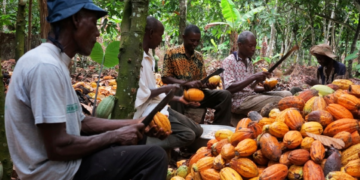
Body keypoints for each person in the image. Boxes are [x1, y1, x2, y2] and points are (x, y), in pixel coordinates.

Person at [5, 1, 167, 179]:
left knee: (139, 138)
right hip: (56, 173)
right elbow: (58, 147)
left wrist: (137, 123)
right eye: (94, 23)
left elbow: (82, 122)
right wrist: (115, 136)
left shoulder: (54, 61)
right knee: (154, 157)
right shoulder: (46, 66)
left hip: (65, 165)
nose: (97, 33)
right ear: (76, 19)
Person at [134, 16, 203, 149]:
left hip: (158, 105)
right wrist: (167, 88)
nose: (161, 39)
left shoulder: (149, 58)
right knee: (188, 135)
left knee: (198, 130)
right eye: (160, 35)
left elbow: (150, 90)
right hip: (146, 111)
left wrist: (179, 98)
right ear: (151, 33)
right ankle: (142, 144)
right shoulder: (137, 60)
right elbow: (142, 94)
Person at [161, 25, 232, 126]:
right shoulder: (171, 53)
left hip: (196, 94)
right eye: (192, 40)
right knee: (176, 89)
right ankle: (179, 126)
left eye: (197, 41)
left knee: (225, 95)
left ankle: (220, 127)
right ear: (184, 37)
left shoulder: (198, 56)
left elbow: (201, 81)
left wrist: (208, 85)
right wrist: (187, 83)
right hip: (180, 94)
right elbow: (165, 78)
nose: (195, 44)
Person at [221, 31, 291, 125]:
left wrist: (264, 88)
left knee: (287, 94)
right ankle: (277, 125)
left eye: (254, 46)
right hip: (239, 101)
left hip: (251, 96)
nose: (253, 49)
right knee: (278, 101)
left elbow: (251, 88)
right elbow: (229, 89)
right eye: (250, 46)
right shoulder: (229, 62)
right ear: (240, 45)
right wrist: (253, 77)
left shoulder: (249, 62)